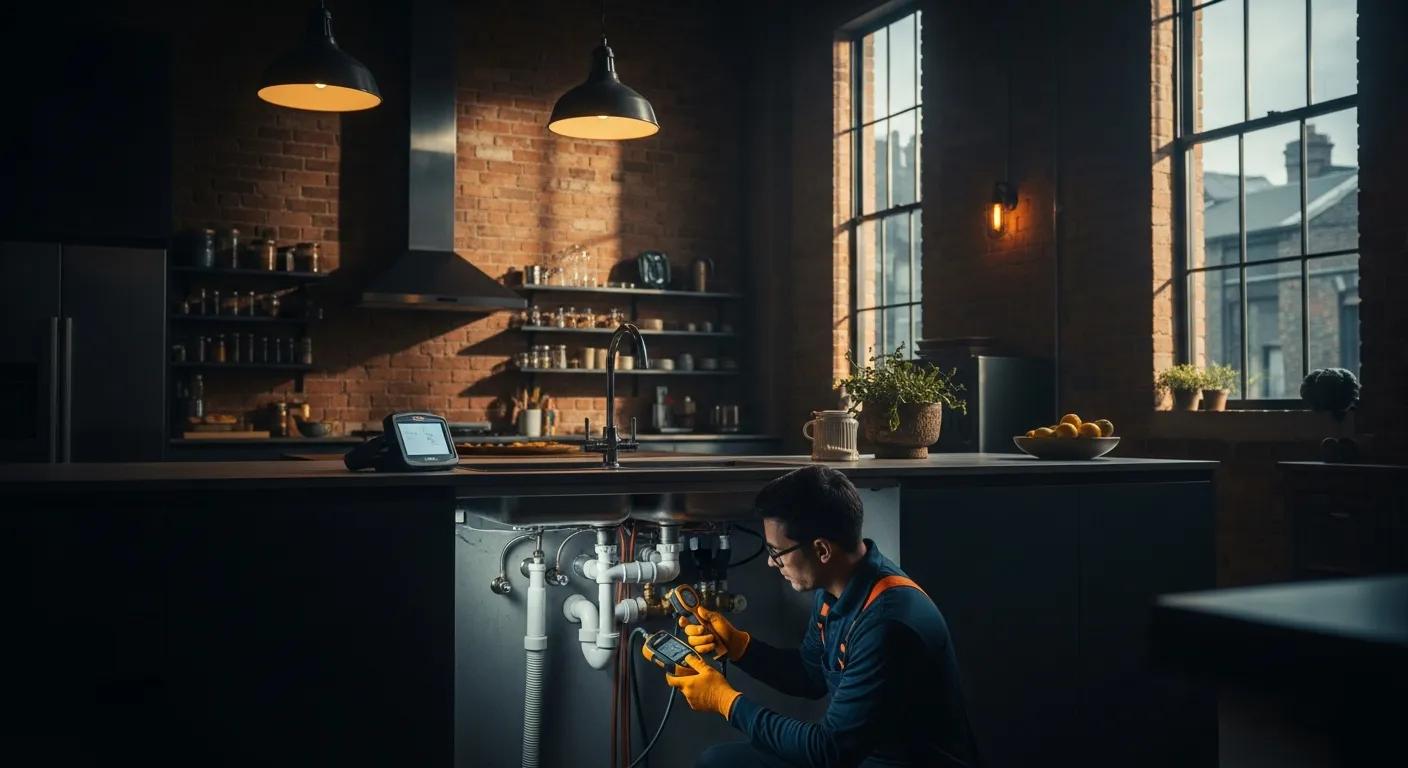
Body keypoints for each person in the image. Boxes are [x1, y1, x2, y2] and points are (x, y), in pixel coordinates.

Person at [663, 465, 977, 767]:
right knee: (718, 762)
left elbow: (828, 752)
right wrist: (740, 648)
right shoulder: (836, 589)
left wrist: (725, 701)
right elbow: (811, 676)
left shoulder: (886, 624)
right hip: (859, 756)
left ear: (822, 550)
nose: (772, 564)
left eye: (776, 552)